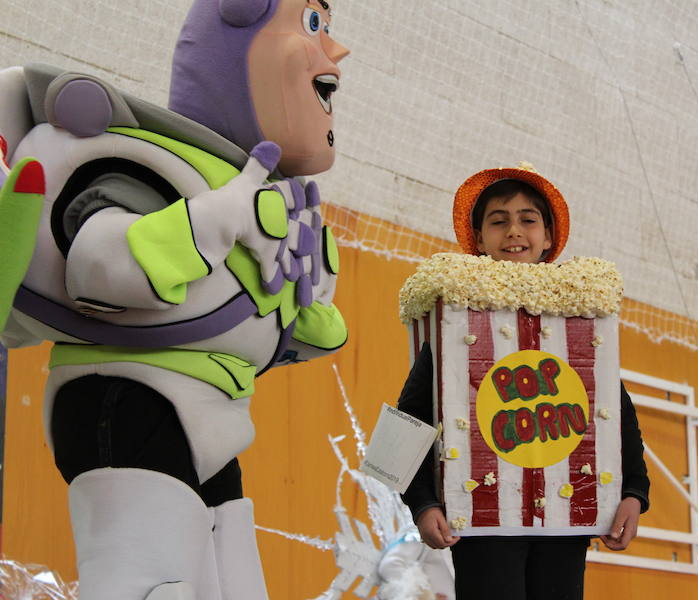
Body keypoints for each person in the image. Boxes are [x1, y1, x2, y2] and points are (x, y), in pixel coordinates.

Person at [0, 1, 349, 598]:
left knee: (233, 585)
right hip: (129, 399)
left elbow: (264, 316)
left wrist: (301, 318)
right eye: (312, 25)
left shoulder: (245, 190)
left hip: (212, 417)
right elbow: (99, 264)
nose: (335, 50)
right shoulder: (151, 165)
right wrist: (208, 222)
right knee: (149, 586)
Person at [396, 164, 650, 599]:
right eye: (498, 221)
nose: (514, 230)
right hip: (481, 521)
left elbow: (614, 411)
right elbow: (407, 420)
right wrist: (421, 503)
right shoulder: (457, 313)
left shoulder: (579, 314)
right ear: (478, 240)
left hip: (567, 520)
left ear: (548, 236)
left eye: (528, 219)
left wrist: (633, 492)